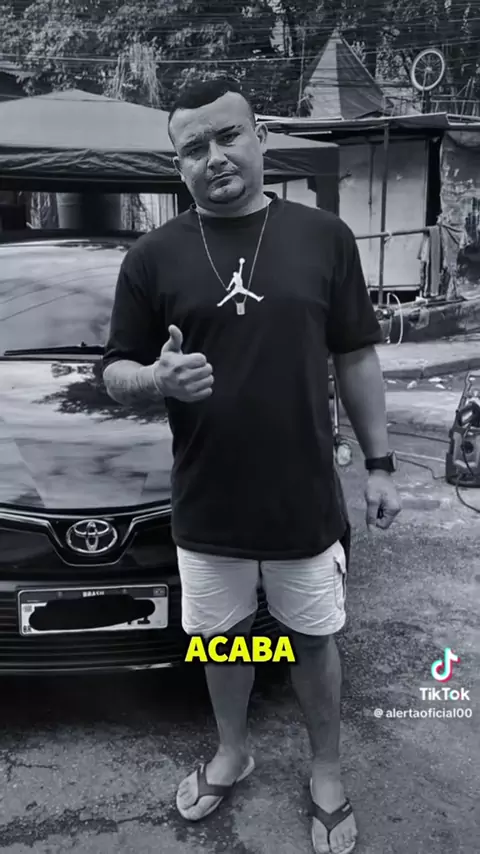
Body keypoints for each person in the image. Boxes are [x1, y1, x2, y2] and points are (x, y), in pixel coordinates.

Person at [102, 77, 401, 854]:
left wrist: (380, 464)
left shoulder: (323, 237)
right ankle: (233, 752)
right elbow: (114, 372)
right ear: (178, 165)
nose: (214, 157)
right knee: (225, 641)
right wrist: (155, 378)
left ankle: (326, 770)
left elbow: (356, 356)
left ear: (261, 137)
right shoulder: (151, 257)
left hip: (303, 502)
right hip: (209, 503)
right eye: (193, 148)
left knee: (311, 640)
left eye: (228, 136)